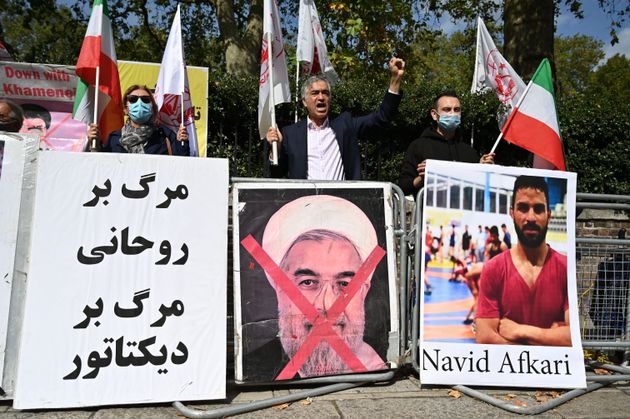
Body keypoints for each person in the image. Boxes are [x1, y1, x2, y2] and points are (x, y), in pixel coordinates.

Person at [244, 195, 388, 380]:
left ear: (364, 290)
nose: (327, 304)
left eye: (345, 284)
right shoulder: (256, 369)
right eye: (308, 282)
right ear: (280, 289)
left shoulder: (381, 365)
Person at [265, 57, 405, 180]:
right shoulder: (290, 134)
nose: (321, 97)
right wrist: (275, 149)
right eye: (315, 93)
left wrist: (395, 81)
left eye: (325, 93)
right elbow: (276, 175)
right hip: (306, 205)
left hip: (340, 204)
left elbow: (381, 118)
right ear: (304, 101)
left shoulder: (345, 124)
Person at [475, 175, 570, 346]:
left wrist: (520, 331)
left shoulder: (566, 268)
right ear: (512, 213)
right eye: (523, 208)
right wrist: (551, 336)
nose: (531, 217)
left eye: (539, 209)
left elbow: (572, 337)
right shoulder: (494, 268)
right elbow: (485, 337)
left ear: (549, 214)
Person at [398, 91, 495, 196]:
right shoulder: (418, 146)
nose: (452, 114)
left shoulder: (469, 152)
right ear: (434, 115)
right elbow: (403, 187)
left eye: (456, 110)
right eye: (447, 110)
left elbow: (478, 189)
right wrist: (422, 178)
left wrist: (481, 169)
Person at [87, 84, 189, 155]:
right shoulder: (114, 138)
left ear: (152, 108)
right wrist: (95, 143)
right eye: (133, 99)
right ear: (126, 109)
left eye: (145, 100)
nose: (139, 103)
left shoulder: (165, 136)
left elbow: (181, 166)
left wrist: (182, 143)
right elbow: (101, 168)